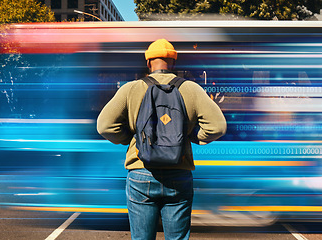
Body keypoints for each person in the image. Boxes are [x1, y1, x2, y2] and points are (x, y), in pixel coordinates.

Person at [97, 39, 227, 240]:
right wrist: (191, 136)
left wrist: (132, 139)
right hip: (179, 171)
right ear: (173, 63)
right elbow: (217, 126)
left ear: (148, 63)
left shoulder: (130, 89)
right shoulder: (191, 89)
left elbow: (105, 126)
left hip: (141, 172)